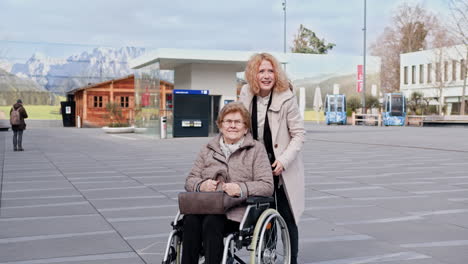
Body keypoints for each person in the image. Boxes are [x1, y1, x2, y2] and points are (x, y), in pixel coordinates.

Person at [183, 102, 273, 264]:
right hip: (206, 204)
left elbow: (267, 185)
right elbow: (190, 180)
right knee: (189, 220)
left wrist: (241, 188)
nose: (232, 126)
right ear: (220, 125)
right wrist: (201, 185)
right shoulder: (208, 148)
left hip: (238, 210)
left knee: (212, 222)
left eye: (238, 122)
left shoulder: (256, 150)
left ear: (246, 128)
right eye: (228, 121)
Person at [240, 52, 306, 264]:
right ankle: (266, 255)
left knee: (287, 217)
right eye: (261, 71)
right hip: (256, 166)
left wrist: (284, 161)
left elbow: (299, 134)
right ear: (253, 74)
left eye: (270, 70)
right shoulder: (246, 93)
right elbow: (240, 127)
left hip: (281, 166)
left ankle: (291, 260)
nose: (266, 75)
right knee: (261, 215)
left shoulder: (286, 96)